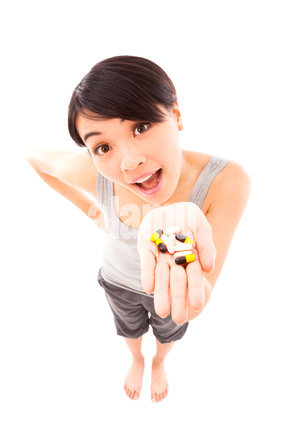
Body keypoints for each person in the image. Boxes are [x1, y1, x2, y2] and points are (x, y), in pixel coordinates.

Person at [27, 55, 251, 402]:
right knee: (128, 330)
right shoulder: (92, 172)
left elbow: (191, 303)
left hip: (169, 293)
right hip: (117, 281)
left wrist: (174, 226)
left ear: (175, 115)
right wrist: (90, 210)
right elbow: (36, 158)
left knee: (168, 334)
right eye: (103, 147)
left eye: (140, 127)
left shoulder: (226, 181)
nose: (129, 162)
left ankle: (158, 363)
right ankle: (136, 359)